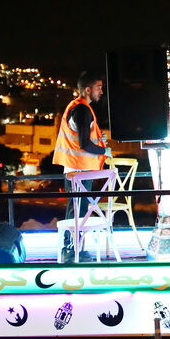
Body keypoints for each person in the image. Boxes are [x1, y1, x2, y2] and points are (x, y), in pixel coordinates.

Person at [52, 71, 112, 259]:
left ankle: (74, 250)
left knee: (78, 210)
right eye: (98, 87)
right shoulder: (82, 110)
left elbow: (84, 138)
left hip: (76, 168)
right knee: (78, 211)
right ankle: (72, 251)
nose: (101, 91)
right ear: (87, 90)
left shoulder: (78, 107)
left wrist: (99, 140)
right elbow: (84, 144)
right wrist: (104, 152)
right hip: (78, 169)